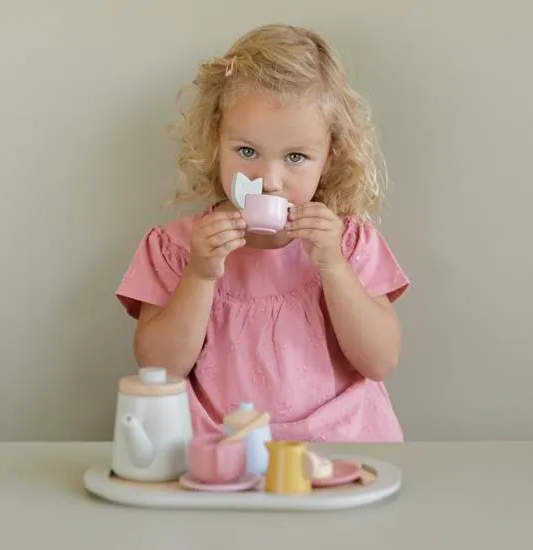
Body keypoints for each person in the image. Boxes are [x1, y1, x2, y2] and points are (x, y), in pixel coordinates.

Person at [115, 23, 410, 442]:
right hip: (220, 451)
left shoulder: (348, 243)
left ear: (329, 159)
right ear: (216, 142)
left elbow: (380, 362)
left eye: (296, 157)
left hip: (340, 445)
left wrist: (334, 266)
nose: (269, 180)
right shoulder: (177, 249)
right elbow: (158, 369)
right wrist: (200, 274)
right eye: (247, 152)